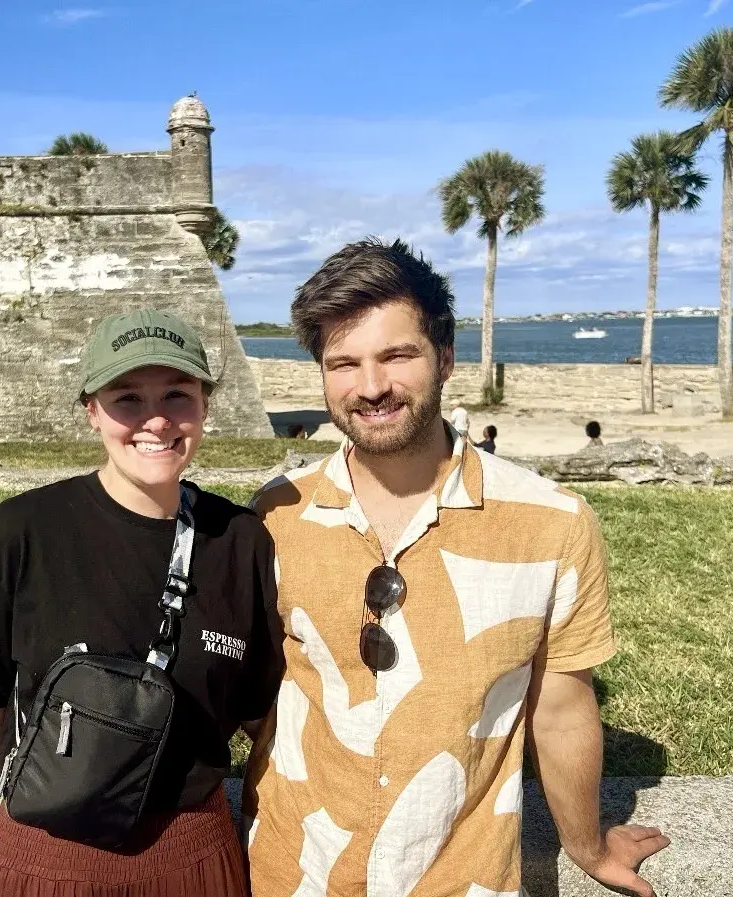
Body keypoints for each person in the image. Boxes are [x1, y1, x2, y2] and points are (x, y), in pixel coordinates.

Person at [242, 238, 668, 897]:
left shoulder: (550, 522)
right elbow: (253, 686)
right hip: (290, 871)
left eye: (396, 355)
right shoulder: (276, 515)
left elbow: (558, 704)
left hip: (460, 879)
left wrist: (586, 842)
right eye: (344, 363)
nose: (371, 385)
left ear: (445, 358)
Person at [0, 309, 284, 897]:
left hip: (195, 858)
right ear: (93, 410)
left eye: (178, 395)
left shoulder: (241, 539)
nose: (156, 420)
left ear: (206, 406)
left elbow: (263, 716)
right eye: (128, 398)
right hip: (45, 853)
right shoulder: (19, 532)